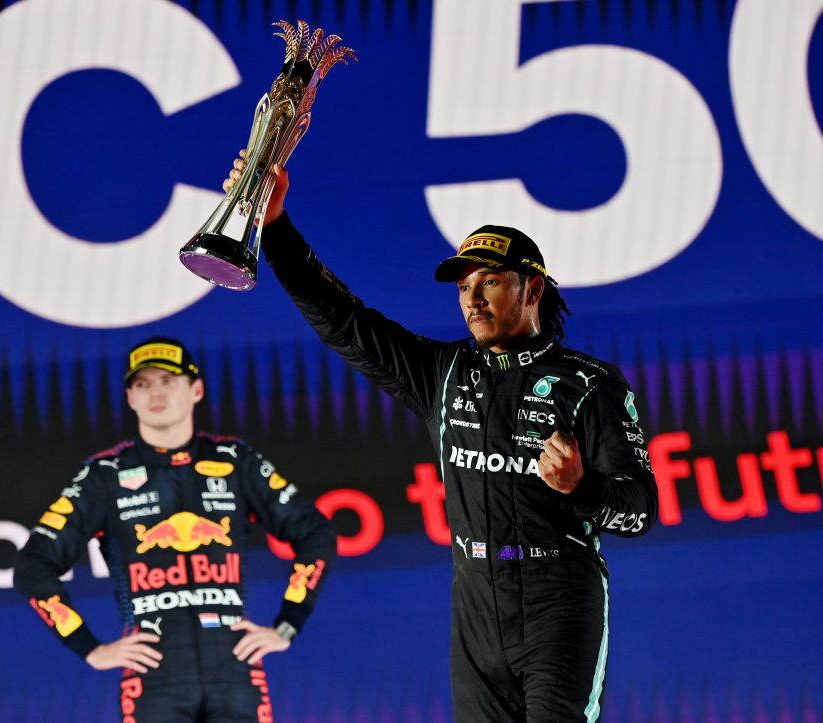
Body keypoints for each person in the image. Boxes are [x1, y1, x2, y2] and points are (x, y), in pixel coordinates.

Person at [226, 158, 658, 722]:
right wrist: (275, 223)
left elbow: (641, 509)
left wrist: (582, 487)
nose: (472, 299)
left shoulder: (590, 384)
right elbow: (343, 319)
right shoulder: (443, 372)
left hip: (559, 596)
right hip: (475, 601)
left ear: (532, 289)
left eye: (490, 282)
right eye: (464, 287)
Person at [13, 337, 336, 723]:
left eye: (168, 380)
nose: (156, 393)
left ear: (196, 389)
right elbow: (33, 565)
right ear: (130, 398)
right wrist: (88, 647)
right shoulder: (105, 474)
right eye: (143, 384)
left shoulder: (235, 460)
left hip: (236, 667)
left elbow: (315, 533)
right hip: (153, 678)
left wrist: (287, 625)